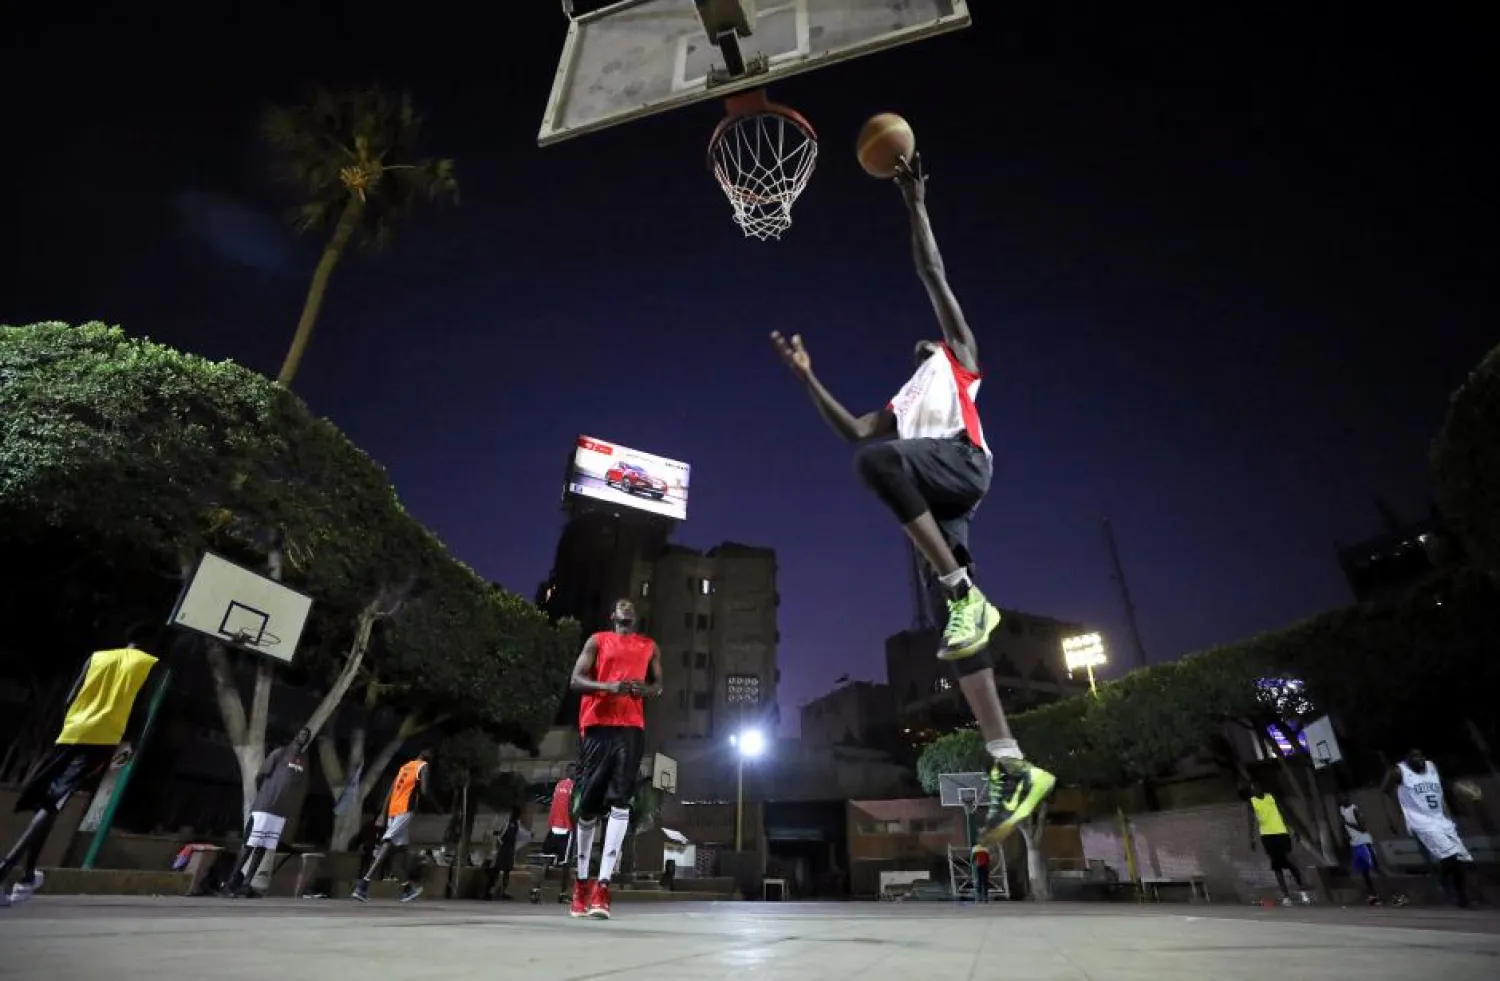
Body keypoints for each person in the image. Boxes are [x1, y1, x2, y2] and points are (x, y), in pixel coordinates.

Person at [769, 153, 1054, 848]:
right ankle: (1011, 760)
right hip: (942, 499)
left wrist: (914, 203)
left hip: (964, 464)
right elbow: (856, 428)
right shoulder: (904, 396)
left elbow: (933, 273)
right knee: (962, 637)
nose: (924, 341)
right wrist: (809, 378)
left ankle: (960, 587)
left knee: (882, 465)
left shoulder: (961, 355)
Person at [1, 626, 160, 908]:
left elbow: (69, 698)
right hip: (103, 739)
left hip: (72, 731)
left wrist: (76, 723)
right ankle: (5, 868)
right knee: (55, 802)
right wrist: (127, 745)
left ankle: (26, 875)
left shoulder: (98, 657)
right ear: (149, 644)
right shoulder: (146, 664)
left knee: (49, 802)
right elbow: (140, 709)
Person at [568, 598, 662, 920]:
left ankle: (603, 887)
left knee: (621, 801)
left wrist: (644, 690)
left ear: (636, 616)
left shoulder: (650, 646)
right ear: (613, 615)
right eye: (620, 604)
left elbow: (659, 686)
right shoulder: (598, 640)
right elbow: (575, 680)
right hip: (596, 727)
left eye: (631, 604)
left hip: (631, 728)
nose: (626, 604)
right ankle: (581, 883)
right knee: (589, 805)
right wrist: (608, 686)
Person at [221, 727, 311, 898]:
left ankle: (246, 885)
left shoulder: (303, 761)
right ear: (296, 736)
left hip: (280, 813)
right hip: (264, 808)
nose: (304, 737)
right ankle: (231, 883)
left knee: (262, 849)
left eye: (307, 736)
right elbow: (261, 776)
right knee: (249, 846)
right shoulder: (280, 753)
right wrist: (267, 796)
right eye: (302, 734)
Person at [1381, 749, 1475, 908]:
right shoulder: (1399, 771)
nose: (1420, 759)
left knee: (1460, 860)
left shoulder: (1431, 767)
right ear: (1407, 761)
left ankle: (1459, 894)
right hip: (1422, 822)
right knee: (1450, 856)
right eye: (1415, 757)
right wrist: (1392, 817)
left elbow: (1442, 790)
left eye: (1421, 756)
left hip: (1441, 820)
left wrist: (1456, 807)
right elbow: (1383, 791)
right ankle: (1445, 885)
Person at [351, 749, 432, 904]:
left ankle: (407, 889)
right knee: (388, 844)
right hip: (405, 810)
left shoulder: (405, 767)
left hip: (393, 810)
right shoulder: (423, 766)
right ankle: (363, 885)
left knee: (398, 852)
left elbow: (391, 789)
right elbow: (425, 791)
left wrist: (383, 812)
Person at [1245, 780, 1312, 906]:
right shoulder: (1251, 802)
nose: (1256, 789)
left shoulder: (1271, 797)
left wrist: (1294, 829)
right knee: (1276, 866)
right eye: (1253, 788)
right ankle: (1286, 897)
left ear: (1261, 788)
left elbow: (1284, 813)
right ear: (1251, 791)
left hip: (1281, 832)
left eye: (1257, 787)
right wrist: (1251, 838)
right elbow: (1251, 820)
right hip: (1267, 836)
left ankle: (1303, 890)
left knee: (1290, 861)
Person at [1337, 791, 1406, 907]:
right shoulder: (1341, 810)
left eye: (1343, 797)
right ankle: (1373, 897)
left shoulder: (1354, 809)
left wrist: (1347, 823)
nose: (1341, 800)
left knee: (1376, 869)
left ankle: (1397, 896)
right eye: (1340, 798)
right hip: (1355, 844)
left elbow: (1363, 828)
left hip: (1364, 842)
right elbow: (1344, 829)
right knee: (1364, 873)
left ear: (1347, 798)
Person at [538, 768, 575, 904]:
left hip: (554, 827)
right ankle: (563, 893)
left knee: (546, 860)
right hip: (566, 828)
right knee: (566, 864)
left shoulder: (559, 785)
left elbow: (553, 805)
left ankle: (536, 889)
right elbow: (573, 808)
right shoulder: (575, 787)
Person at [487, 811, 519, 900]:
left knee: (505, 871)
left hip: (508, 850)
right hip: (503, 850)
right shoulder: (506, 823)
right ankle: (491, 890)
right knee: (497, 870)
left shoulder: (515, 824)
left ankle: (501, 891)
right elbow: (497, 834)